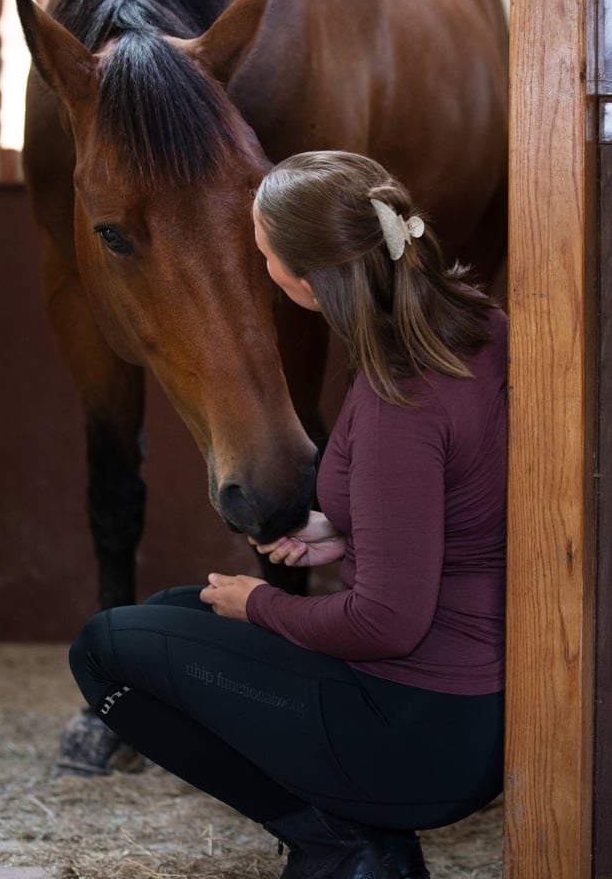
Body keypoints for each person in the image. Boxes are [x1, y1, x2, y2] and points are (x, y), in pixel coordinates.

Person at [69, 151, 507, 879]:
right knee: (183, 612)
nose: (260, 267)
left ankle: (344, 847)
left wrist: (263, 605)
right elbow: (466, 492)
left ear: (308, 281)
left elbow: (383, 624)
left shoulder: (402, 396)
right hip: (467, 708)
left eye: (263, 254)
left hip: (416, 733)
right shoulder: (472, 325)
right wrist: (344, 532)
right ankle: (358, 838)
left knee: (106, 650)